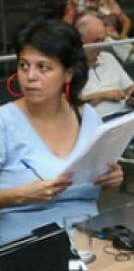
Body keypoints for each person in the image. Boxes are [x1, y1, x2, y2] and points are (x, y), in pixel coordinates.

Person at [0, 20, 123, 244]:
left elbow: (93, 189)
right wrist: (20, 195)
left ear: (68, 74)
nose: (30, 76)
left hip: (89, 241)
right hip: (22, 247)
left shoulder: (88, 117)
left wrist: (112, 179)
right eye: (24, 65)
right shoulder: (4, 122)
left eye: (43, 67)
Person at [74, 13, 134, 196]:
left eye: (103, 39)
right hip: (101, 121)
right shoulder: (72, 68)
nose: (102, 45)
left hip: (125, 113)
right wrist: (104, 94)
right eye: (96, 40)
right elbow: (72, 104)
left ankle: (133, 146)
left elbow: (129, 86)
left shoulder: (108, 59)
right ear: (81, 41)